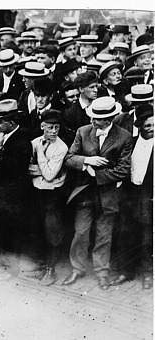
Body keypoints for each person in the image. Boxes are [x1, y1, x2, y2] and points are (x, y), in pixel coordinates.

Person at [62, 96, 132, 290]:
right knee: (80, 232)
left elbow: (123, 169)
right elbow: (69, 157)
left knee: (104, 234)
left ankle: (102, 272)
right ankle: (78, 268)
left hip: (108, 194)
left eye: (96, 119)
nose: (92, 122)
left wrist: (98, 175)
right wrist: (87, 163)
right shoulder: (83, 132)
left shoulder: (124, 137)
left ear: (108, 120)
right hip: (85, 193)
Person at [0, 99, 33, 279]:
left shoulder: (23, 141)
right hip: (0, 192)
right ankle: (1, 259)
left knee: (12, 231)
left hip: (14, 194)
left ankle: (12, 270)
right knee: (1, 228)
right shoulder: (4, 135)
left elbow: (14, 169)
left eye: (0, 122)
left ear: (10, 122)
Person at [110, 105, 153, 289]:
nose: (152, 128)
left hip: (148, 194)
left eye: (154, 124)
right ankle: (126, 271)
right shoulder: (132, 142)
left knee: (146, 234)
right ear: (140, 126)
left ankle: (147, 273)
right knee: (126, 232)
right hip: (130, 192)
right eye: (148, 125)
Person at [27, 109, 68, 286]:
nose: (53, 131)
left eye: (57, 127)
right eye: (50, 127)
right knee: (37, 230)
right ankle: (41, 265)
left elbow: (50, 175)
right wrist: (40, 170)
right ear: (42, 126)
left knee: (53, 232)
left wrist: (41, 159)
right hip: (37, 192)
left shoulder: (61, 147)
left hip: (53, 194)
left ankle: (51, 270)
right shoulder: (34, 142)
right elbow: (28, 168)